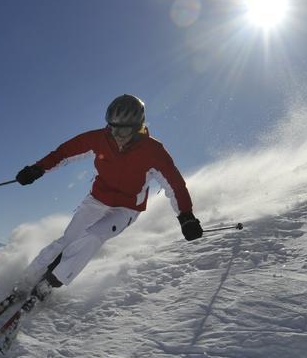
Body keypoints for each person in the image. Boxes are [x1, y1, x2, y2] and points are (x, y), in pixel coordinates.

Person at [15, 94, 202, 295]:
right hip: (97, 199)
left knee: (95, 234)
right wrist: (37, 169)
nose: (117, 134)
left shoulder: (153, 151)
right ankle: (27, 279)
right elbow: (64, 153)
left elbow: (175, 185)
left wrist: (186, 216)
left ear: (138, 127)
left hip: (127, 208)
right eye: (112, 127)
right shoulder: (100, 138)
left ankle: (50, 283)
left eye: (123, 129)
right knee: (68, 239)